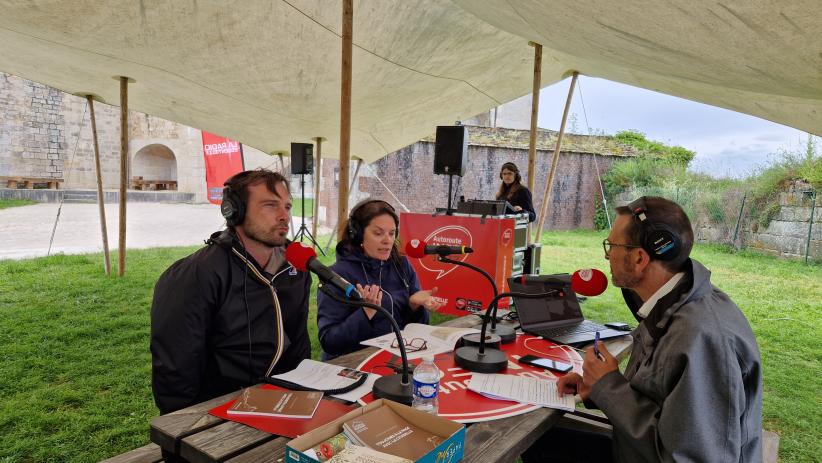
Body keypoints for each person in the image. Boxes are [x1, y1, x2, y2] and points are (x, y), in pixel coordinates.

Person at [523, 196, 762, 463]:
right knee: (540, 442)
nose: (606, 255)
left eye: (611, 245)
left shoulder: (702, 338)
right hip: (631, 450)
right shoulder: (674, 304)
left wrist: (609, 385)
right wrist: (597, 390)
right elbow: (662, 400)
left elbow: (688, 457)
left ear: (639, 258)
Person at [150, 169, 312, 415]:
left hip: (281, 403)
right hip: (217, 412)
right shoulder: (196, 275)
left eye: (287, 207)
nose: (284, 217)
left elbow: (299, 345)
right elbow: (176, 376)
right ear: (234, 210)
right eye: (270, 205)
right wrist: (188, 433)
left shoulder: (296, 269)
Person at [317, 199, 444, 360]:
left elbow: (419, 329)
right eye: (378, 233)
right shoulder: (336, 275)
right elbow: (329, 341)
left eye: (392, 233)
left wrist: (415, 307)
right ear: (358, 235)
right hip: (352, 366)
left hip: (396, 361)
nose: (387, 240)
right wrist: (365, 312)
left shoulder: (402, 265)